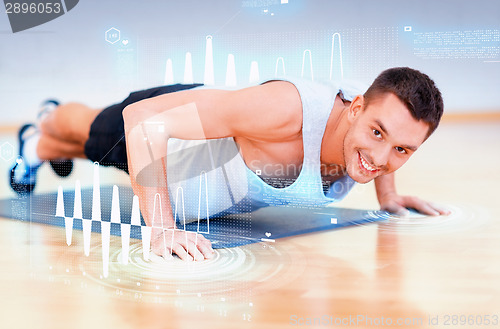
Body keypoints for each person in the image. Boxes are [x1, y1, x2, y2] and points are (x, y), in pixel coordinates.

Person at [10, 67, 450, 261]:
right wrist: (161, 228)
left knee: (79, 147)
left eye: (402, 151)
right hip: (170, 142)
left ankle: (38, 146)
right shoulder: (284, 112)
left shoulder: (375, 119)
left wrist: (389, 195)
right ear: (355, 110)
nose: (380, 159)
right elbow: (142, 121)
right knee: (92, 133)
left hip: (197, 167)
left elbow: (390, 134)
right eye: (377, 134)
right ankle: (48, 121)